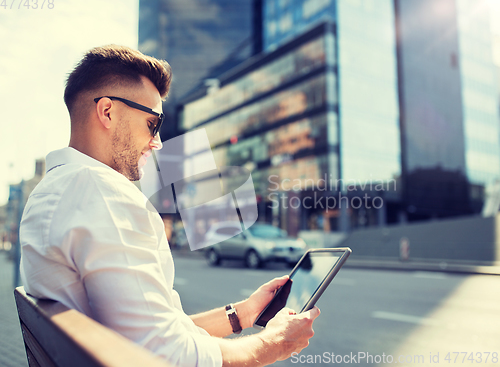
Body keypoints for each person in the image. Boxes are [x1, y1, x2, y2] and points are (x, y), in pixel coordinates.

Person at [19, 45, 319, 367]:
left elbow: (153, 333)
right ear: (107, 111)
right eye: (153, 123)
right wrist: (275, 342)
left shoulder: (51, 191)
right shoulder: (104, 194)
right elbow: (168, 355)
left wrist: (242, 314)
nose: (158, 141)